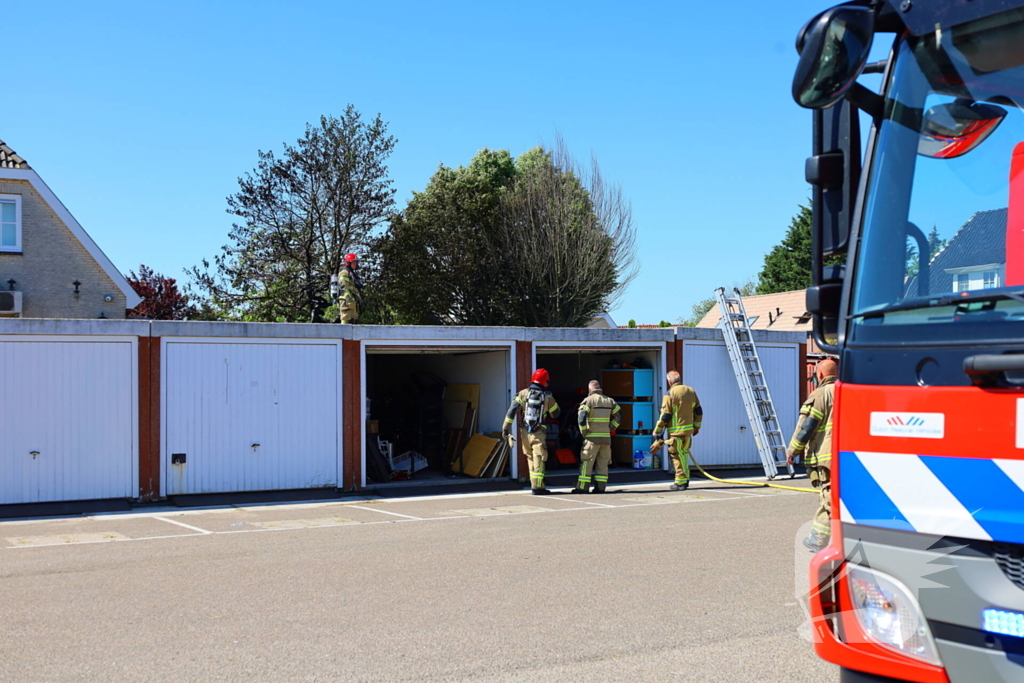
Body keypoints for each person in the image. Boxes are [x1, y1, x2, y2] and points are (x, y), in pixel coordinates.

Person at [787, 359, 837, 552]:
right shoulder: (849, 392)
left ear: (821, 375)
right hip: (850, 457)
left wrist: (793, 452)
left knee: (829, 498)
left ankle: (818, 541)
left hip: (827, 457)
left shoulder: (820, 394)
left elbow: (806, 427)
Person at [503, 369, 561, 495]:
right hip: (539, 432)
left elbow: (511, 411)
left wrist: (505, 428)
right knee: (539, 458)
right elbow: (556, 414)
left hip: (524, 432)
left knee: (530, 457)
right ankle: (538, 487)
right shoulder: (548, 397)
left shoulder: (522, 394)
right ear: (545, 381)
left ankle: (533, 484)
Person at [652, 371, 702, 491]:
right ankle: (686, 479)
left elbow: (665, 415)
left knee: (676, 456)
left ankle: (680, 483)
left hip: (676, 433)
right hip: (688, 432)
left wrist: (657, 430)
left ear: (669, 381)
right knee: (683, 455)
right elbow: (699, 411)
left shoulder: (670, 394)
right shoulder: (691, 391)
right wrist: (696, 426)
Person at [573, 381, 622, 494]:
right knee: (603, 464)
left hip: (591, 439)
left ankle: (582, 488)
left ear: (590, 390)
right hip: (605, 439)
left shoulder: (588, 401)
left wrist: (584, 432)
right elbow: (620, 415)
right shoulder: (609, 401)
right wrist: (611, 428)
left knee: (587, 463)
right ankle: (600, 488)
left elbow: (581, 418)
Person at [337, 253, 363, 324]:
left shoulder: (352, 273)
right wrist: (348, 299)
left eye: (356, 263)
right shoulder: (344, 273)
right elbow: (344, 287)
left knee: (353, 320)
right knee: (346, 318)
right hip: (346, 301)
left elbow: (354, 289)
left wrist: (358, 298)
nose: (355, 264)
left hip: (351, 300)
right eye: (353, 263)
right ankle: (343, 333)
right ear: (348, 263)